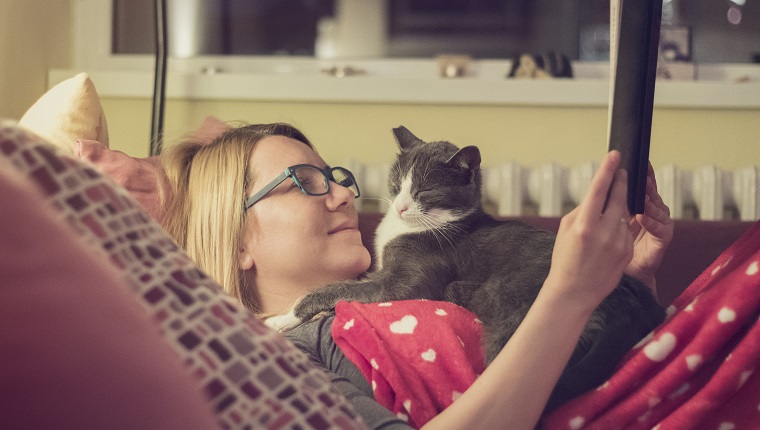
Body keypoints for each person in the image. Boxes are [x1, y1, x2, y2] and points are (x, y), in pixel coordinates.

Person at [161, 123, 673, 429]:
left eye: (338, 178)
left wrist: (625, 285)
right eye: (304, 182)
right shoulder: (278, 361)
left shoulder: (412, 282)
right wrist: (568, 298)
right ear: (239, 240)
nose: (344, 195)